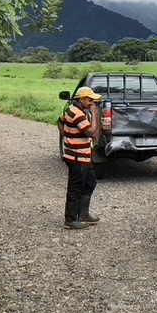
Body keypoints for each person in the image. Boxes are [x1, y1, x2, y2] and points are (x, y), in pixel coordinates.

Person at [61, 86, 102, 230]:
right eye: (90, 100)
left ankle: (83, 214)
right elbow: (92, 132)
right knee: (76, 187)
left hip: (81, 156)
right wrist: (95, 115)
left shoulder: (72, 110)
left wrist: (67, 139)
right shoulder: (77, 113)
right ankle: (70, 220)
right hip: (77, 157)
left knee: (90, 182)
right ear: (81, 99)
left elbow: (60, 122)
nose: (92, 103)